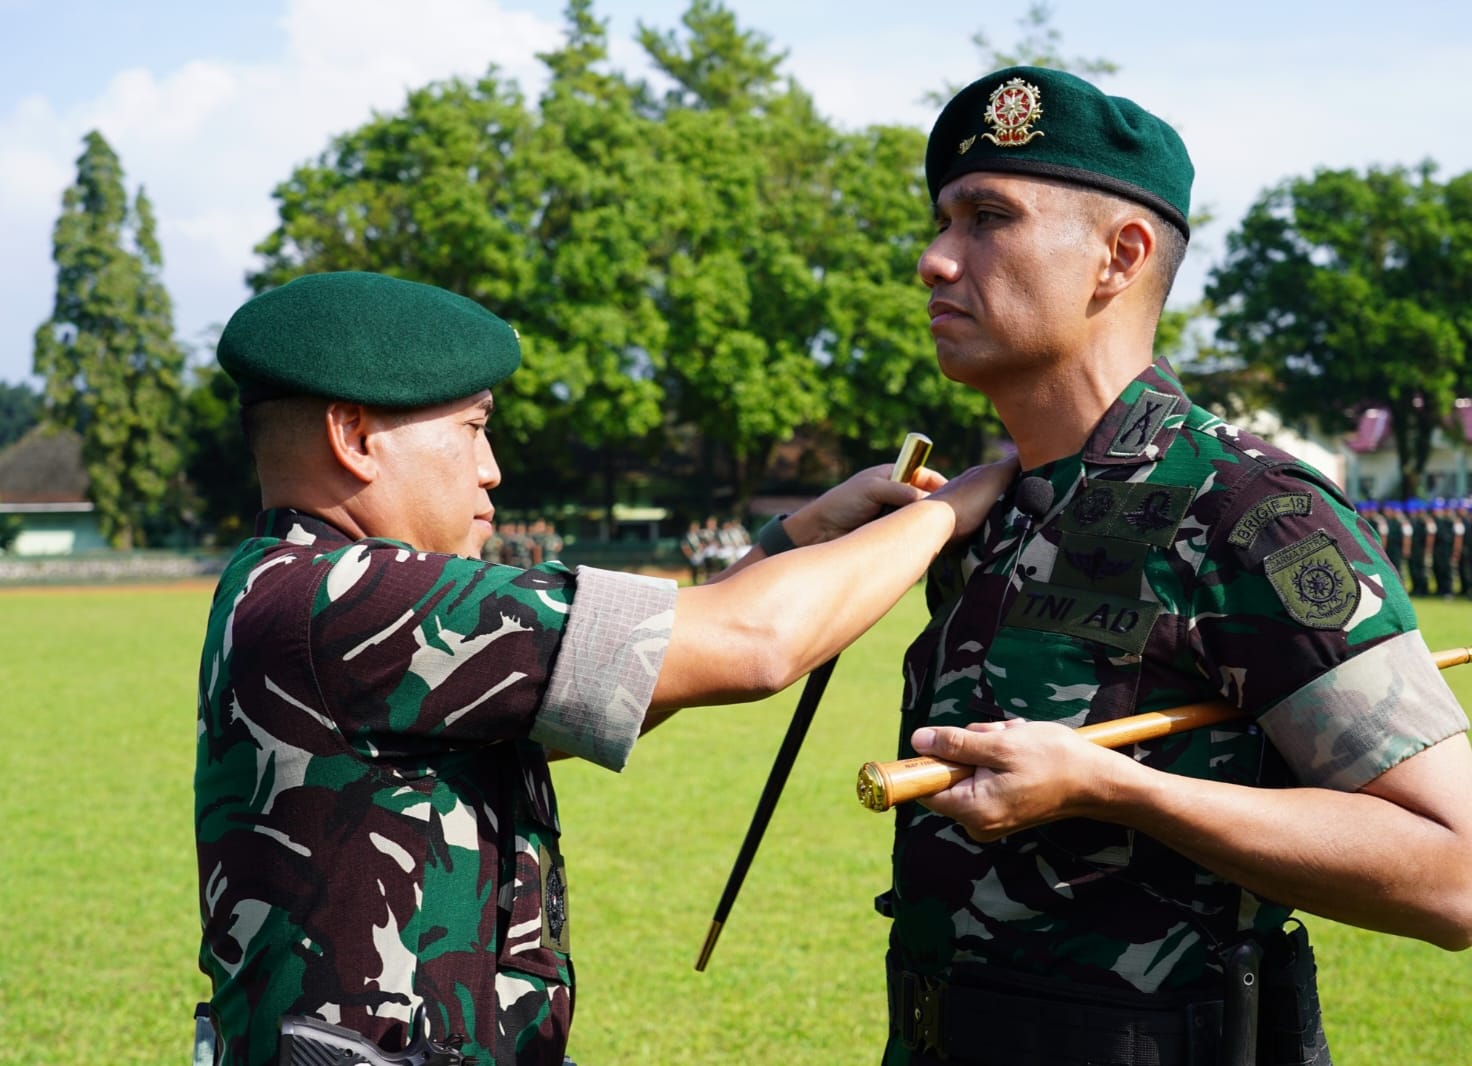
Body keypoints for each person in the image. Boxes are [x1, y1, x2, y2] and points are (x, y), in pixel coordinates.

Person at [193, 270, 1013, 1066]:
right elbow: (754, 641)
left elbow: (630, 667)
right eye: (474, 428)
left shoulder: (283, 585)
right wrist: (948, 510)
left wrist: (801, 536)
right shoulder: (351, 598)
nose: (491, 468)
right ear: (355, 437)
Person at [880, 67, 1472, 1066]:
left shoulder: (1249, 510)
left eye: (987, 219)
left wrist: (1120, 789)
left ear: (1119, 257)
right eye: (942, 221)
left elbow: (1453, 876)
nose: (933, 260)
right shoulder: (994, 510)